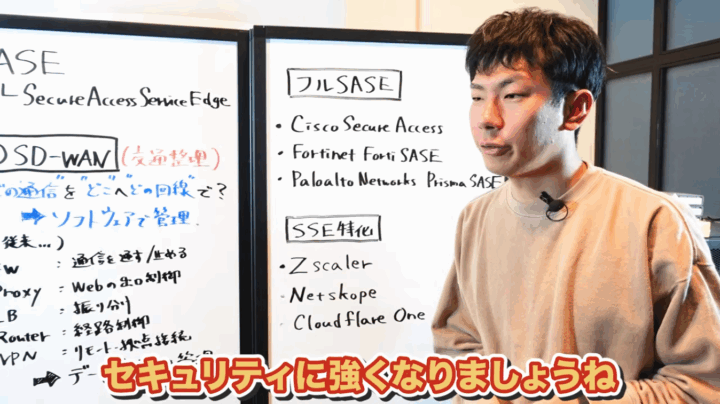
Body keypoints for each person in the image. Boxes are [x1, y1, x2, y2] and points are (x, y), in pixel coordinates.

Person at [431, 7, 720, 404]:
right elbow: (459, 344)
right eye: (477, 97)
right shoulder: (475, 218)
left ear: (575, 108)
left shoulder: (654, 222)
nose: (487, 118)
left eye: (512, 95)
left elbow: (700, 385)